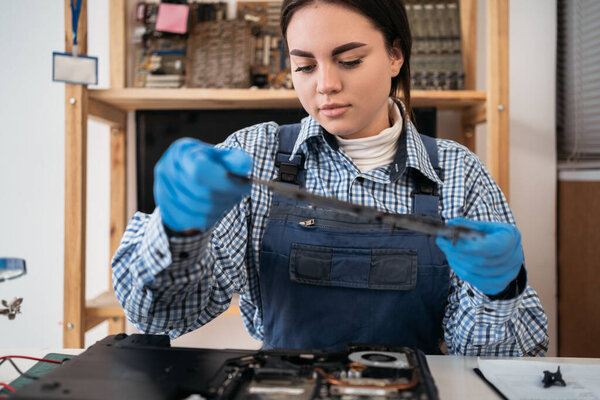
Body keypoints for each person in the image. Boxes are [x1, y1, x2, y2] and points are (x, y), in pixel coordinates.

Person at [112, 0, 548, 355]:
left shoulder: (458, 173)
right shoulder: (254, 156)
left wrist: (499, 291)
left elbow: (502, 359)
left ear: (396, 55)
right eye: (304, 67)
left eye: (350, 60)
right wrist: (176, 231)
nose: (325, 85)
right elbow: (160, 318)